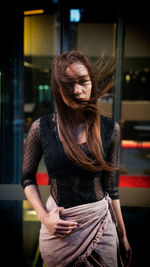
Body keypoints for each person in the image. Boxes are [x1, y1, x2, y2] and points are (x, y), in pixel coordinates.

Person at [21, 50, 132, 267]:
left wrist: (123, 235)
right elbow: (26, 177)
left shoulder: (110, 129)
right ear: (58, 88)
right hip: (58, 234)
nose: (77, 91)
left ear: (92, 83)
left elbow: (111, 187)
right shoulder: (41, 128)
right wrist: (44, 217)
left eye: (83, 82)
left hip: (100, 228)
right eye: (68, 84)